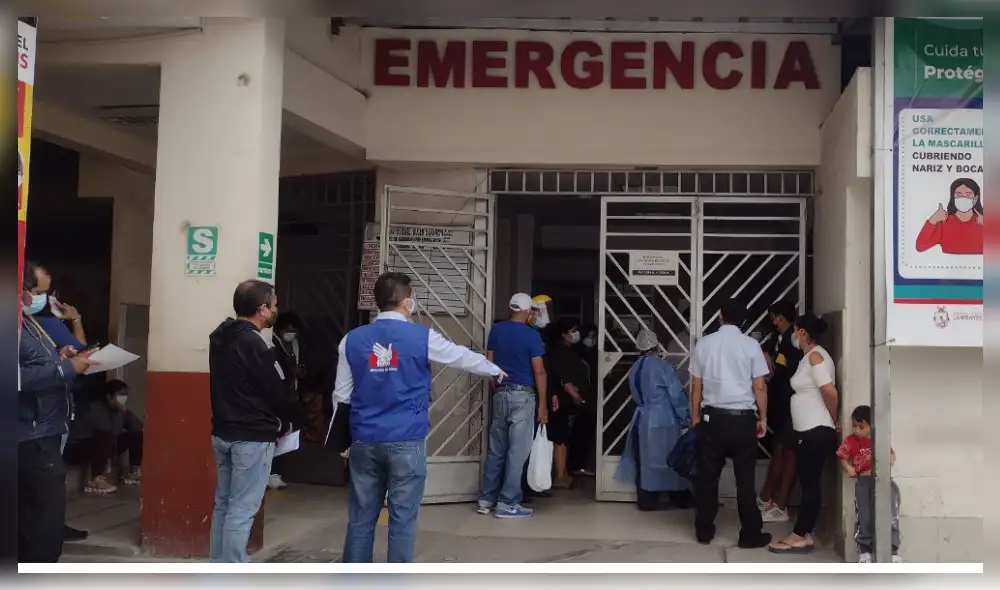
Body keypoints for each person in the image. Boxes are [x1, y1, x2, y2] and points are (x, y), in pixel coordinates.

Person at [334, 272, 505, 562]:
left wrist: (342, 441)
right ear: (407, 302)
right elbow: (459, 356)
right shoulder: (421, 337)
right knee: (402, 522)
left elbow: (342, 396)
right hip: (406, 441)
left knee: (361, 519)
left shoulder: (351, 340)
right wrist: (493, 369)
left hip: (364, 439)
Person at [208, 280, 306, 563]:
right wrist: (292, 419)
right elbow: (275, 389)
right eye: (274, 305)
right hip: (250, 436)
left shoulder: (221, 336)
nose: (276, 310)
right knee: (242, 507)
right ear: (262, 309)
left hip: (223, 431)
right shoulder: (253, 343)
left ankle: (220, 567)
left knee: (224, 504)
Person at [18, 267, 98, 562]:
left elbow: (34, 363)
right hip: (31, 432)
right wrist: (65, 368)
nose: (39, 299)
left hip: (45, 427)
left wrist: (61, 355)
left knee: (40, 522)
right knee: (40, 528)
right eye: (37, 292)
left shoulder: (26, 323)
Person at [689, 299, 771, 548]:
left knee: (707, 477)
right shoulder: (751, 346)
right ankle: (750, 534)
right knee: (745, 480)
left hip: (712, 420)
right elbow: (759, 386)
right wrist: (763, 418)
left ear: (720, 316)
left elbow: (696, 387)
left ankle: (704, 531)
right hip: (742, 420)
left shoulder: (704, 344)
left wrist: (694, 416)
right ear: (744, 320)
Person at [768, 313, 840, 555]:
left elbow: (829, 392)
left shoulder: (816, 357)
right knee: (809, 482)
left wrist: (834, 417)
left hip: (815, 430)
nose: (793, 336)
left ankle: (800, 536)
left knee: (810, 485)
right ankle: (804, 533)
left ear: (802, 333)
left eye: (795, 331)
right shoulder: (809, 357)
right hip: (807, 431)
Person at [478, 293, 547, 519]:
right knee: (517, 452)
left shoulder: (496, 330)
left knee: (497, 449)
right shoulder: (532, 336)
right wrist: (542, 405)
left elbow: (489, 365)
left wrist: (498, 390)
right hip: (523, 396)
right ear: (527, 311)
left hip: (500, 392)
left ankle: (486, 499)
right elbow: (539, 371)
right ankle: (508, 503)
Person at [614, 329, 694, 511]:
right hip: (665, 418)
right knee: (672, 458)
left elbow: (635, 394)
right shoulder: (663, 366)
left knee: (647, 461)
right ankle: (679, 497)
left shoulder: (634, 368)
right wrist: (687, 417)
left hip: (642, 418)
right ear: (657, 345)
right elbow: (675, 394)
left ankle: (647, 499)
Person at [756, 301, 803, 523]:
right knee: (781, 450)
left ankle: (780, 503)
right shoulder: (779, 341)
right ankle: (768, 498)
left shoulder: (794, 339)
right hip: (784, 405)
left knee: (788, 453)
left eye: (777, 317)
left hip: (794, 404)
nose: (774, 322)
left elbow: (789, 368)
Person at [837, 405, 902, 563]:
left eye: (861, 427)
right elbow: (842, 457)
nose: (856, 430)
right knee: (864, 515)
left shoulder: (879, 439)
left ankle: (892, 551)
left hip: (882, 480)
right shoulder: (850, 441)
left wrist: (885, 464)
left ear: (871, 426)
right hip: (863, 481)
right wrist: (849, 468)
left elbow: (891, 457)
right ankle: (865, 551)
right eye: (854, 426)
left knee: (889, 514)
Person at [64, 379, 143, 494]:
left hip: (104, 447)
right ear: (109, 396)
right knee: (105, 437)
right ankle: (95, 480)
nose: (124, 398)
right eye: (121, 395)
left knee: (136, 434)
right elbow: (112, 431)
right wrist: (122, 412)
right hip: (79, 448)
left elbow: (138, 426)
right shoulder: (95, 409)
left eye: (126, 395)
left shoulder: (118, 409)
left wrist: (125, 412)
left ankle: (134, 472)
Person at [545, 318, 590, 489]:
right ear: (564, 334)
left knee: (564, 438)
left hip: (567, 402)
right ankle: (560, 476)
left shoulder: (568, 352)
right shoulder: (560, 354)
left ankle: (562, 473)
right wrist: (576, 397)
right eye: (573, 330)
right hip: (563, 403)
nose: (576, 333)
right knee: (560, 439)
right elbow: (565, 379)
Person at [268, 312, 307, 490]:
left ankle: (275, 472)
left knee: (286, 435)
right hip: (278, 396)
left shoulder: (294, 344)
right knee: (276, 434)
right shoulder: (272, 343)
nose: (292, 334)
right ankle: (271, 473)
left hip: (291, 394)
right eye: (289, 330)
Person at [915, 177, 983, 255]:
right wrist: (933, 220)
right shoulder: (944, 223)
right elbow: (920, 246)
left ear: (975, 198)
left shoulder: (983, 222)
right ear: (953, 198)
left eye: (968, 195)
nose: (963, 198)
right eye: (958, 194)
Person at [569, 322, 598, 477]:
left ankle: (579, 464)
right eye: (590, 336)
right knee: (578, 434)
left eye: (594, 337)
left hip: (588, 399)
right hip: (579, 399)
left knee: (585, 433)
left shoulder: (591, 354)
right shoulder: (576, 354)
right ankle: (575, 465)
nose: (591, 340)